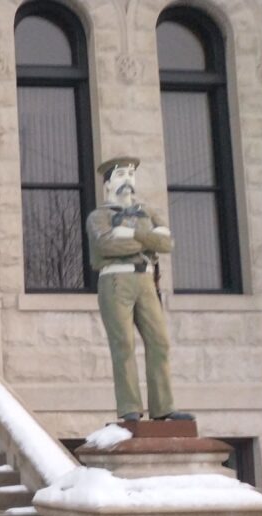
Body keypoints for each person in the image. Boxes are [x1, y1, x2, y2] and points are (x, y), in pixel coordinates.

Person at [85, 156, 193, 422]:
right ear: (108, 184)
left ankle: (163, 407)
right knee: (123, 344)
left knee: (159, 342)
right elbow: (105, 246)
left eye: (131, 176)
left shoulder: (147, 212)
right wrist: (147, 241)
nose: (128, 181)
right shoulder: (99, 216)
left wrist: (132, 235)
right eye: (121, 176)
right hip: (115, 282)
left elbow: (166, 243)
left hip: (145, 281)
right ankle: (129, 408)